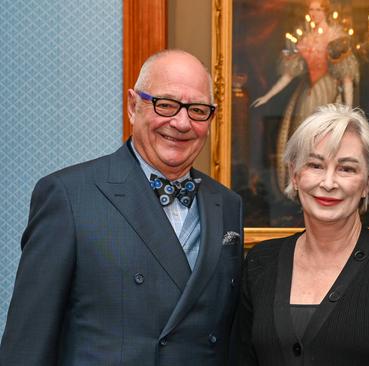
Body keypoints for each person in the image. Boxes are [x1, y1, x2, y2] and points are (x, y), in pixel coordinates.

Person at [0, 50, 243, 365]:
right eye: (166, 105)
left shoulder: (227, 204)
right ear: (132, 106)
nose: (182, 123)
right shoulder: (69, 195)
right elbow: (27, 344)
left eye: (197, 110)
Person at [239, 104, 369, 365]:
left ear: (367, 183)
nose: (328, 183)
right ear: (294, 174)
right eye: (315, 165)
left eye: (346, 169)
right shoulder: (260, 263)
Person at [251, 0, 359, 189]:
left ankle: (327, 186)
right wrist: (268, 96)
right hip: (308, 94)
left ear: (325, 11)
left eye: (318, 9)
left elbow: (347, 79)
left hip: (329, 92)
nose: (314, 13)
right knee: (303, 141)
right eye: (311, 9)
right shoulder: (305, 39)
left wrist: (348, 112)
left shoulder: (336, 37)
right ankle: (304, 187)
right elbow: (288, 76)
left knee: (328, 141)